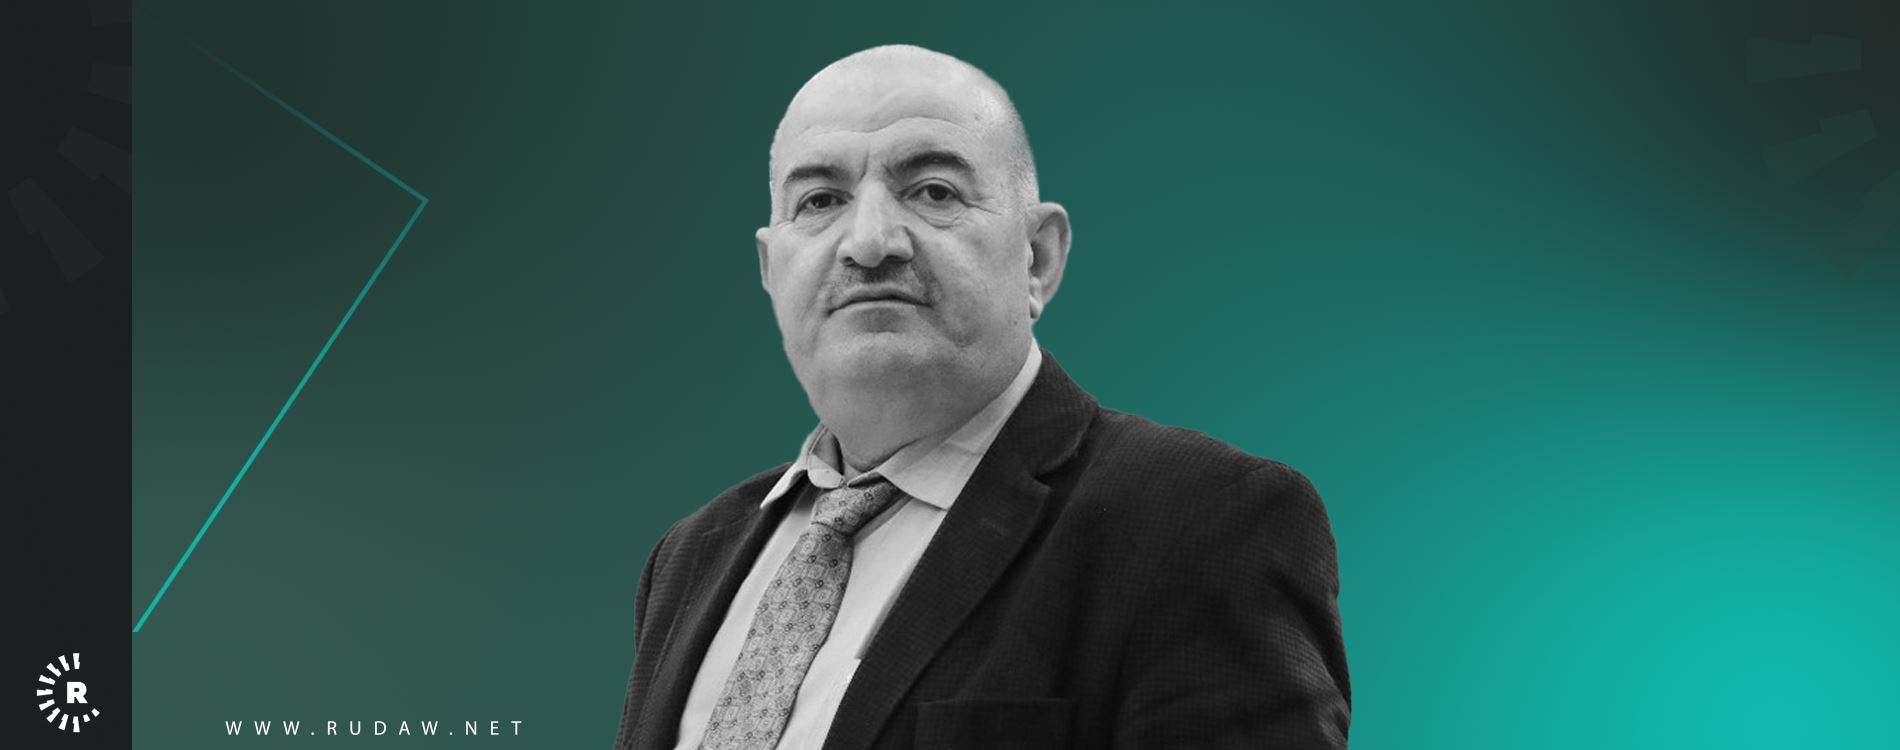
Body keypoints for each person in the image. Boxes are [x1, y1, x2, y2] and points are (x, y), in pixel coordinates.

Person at [614, 44, 1349, 750]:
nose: (869, 241)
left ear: (1038, 257)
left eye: (933, 191)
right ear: (770, 269)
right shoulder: (689, 556)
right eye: (820, 200)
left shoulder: (1200, 521)